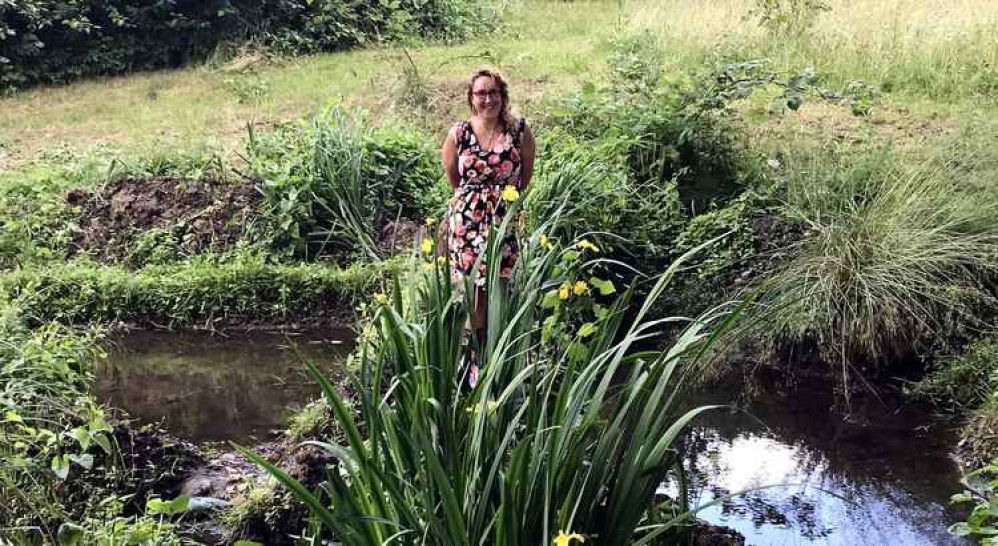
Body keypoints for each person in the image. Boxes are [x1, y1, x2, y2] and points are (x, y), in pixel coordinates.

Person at [441, 67, 535, 388]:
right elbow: (455, 180)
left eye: (493, 92)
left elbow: (525, 179)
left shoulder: (519, 131)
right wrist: (475, 202)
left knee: (497, 285)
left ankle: (498, 354)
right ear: (471, 98)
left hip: (502, 222)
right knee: (473, 291)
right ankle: (474, 361)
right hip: (467, 225)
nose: (487, 99)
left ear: (503, 96)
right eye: (480, 93)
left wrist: (502, 203)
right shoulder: (459, 134)